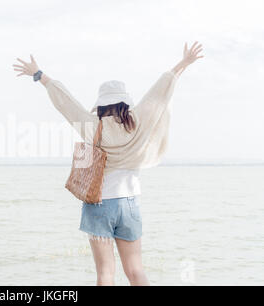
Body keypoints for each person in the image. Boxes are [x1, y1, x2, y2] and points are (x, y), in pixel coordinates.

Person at [12, 42, 204, 286]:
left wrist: (39, 75)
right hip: (130, 204)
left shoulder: (93, 126)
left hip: (99, 204)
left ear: (101, 104)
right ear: (125, 102)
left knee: (105, 274)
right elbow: (161, 88)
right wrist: (184, 63)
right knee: (135, 271)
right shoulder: (139, 121)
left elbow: (66, 102)